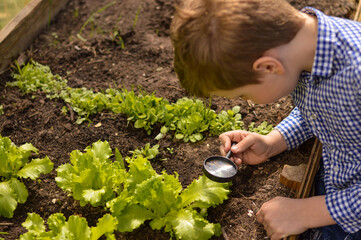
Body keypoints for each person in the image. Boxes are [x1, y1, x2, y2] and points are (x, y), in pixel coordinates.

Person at [170, 0, 361, 239]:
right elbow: (323, 108)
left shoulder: (355, 75)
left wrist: (307, 213)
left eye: (243, 94)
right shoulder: (304, 52)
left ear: (268, 67)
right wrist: (273, 142)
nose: (247, 99)